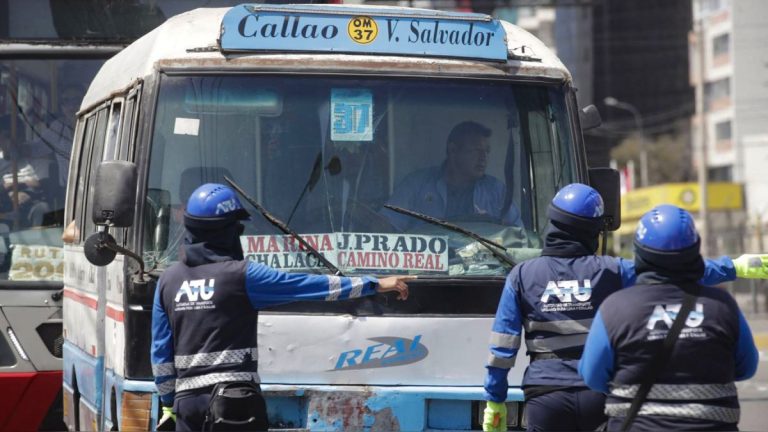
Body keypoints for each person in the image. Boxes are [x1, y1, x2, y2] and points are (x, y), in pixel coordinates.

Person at [481, 184, 766, 432]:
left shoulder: (521, 275)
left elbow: (503, 347)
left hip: (546, 397)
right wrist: (734, 266)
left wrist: (495, 399)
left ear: (552, 222)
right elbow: (670, 269)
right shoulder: (612, 270)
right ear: (593, 231)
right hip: (597, 396)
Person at [151, 183, 414, 431]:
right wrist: (374, 284)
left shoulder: (168, 280)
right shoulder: (242, 276)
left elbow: (160, 353)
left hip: (185, 405)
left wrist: (167, 403)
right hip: (233, 403)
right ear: (229, 231)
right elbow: (311, 286)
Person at [579, 205, 760, 431]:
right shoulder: (722, 306)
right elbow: (747, 367)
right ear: (695, 249)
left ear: (640, 252)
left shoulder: (615, 308)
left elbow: (592, 376)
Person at [384, 121, 522, 231]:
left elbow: (518, 236)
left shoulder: (497, 191)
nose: (483, 158)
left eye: (486, 152)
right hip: (427, 265)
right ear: (453, 150)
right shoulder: (416, 185)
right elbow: (386, 225)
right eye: (476, 151)